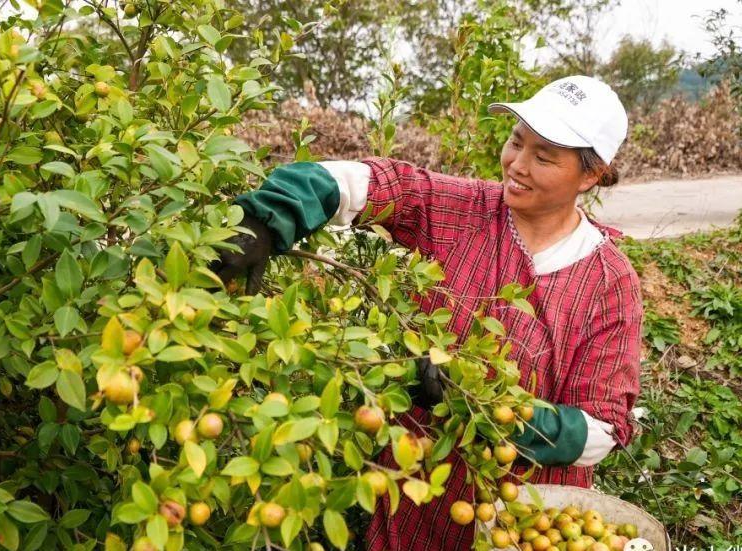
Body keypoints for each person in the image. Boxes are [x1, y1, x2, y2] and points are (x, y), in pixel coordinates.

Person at [213, 75, 642, 550]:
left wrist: (478, 405)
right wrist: (268, 219)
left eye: (543, 157)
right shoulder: (463, 210)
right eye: (515, 142)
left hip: (526, 520)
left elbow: (602, 429)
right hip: (414, 499)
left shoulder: (609, 281)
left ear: (591, 175)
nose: (517, 165)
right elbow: (363, 183)